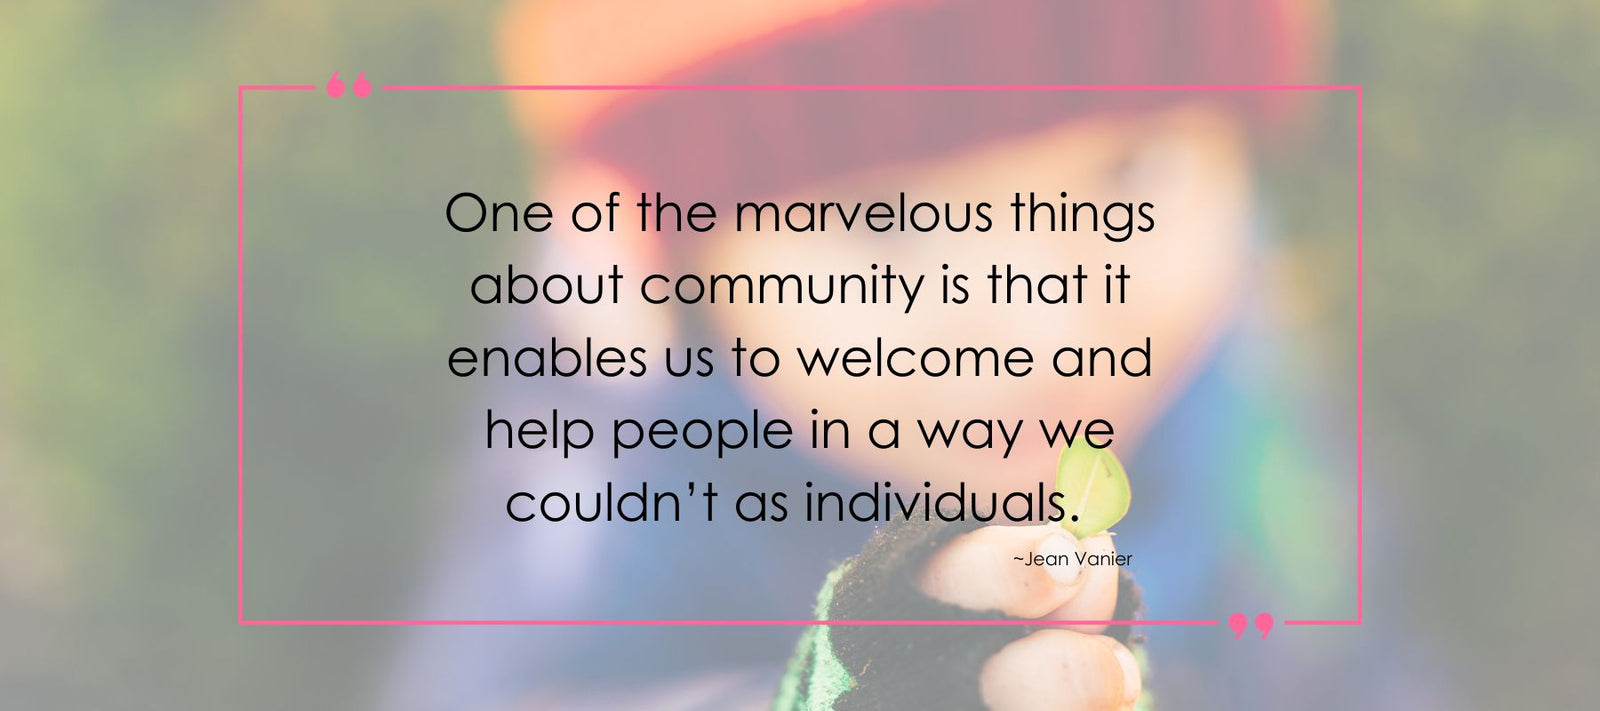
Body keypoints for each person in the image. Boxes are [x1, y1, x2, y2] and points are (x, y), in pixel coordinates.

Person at [385, 1, 1353, 709]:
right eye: (882, 224)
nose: (1037, 332)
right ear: (666, 268)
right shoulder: (607, 481)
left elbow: (1345, 644)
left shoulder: (1245, 353)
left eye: (1127, 172)